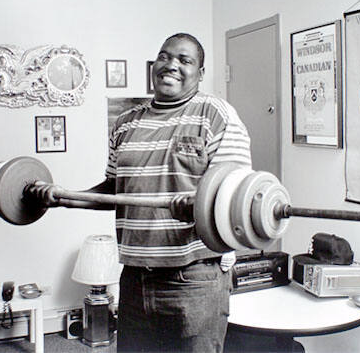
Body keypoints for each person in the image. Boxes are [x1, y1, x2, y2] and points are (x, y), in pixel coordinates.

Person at [32, 33, 252, 352]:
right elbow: (113, 189)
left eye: (184, 60)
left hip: (193, 278)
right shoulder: (125, 123)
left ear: (201, 73)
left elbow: (234, 198)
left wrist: (197, 207)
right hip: (135, 276)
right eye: (164, 57)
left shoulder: (217, 116)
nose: (171, 65)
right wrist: (65, 197)